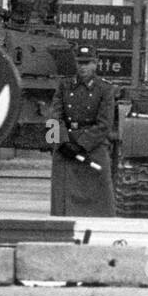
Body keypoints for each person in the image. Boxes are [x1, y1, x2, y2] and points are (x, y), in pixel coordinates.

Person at [49, 46, 117, 216]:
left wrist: (81, 145)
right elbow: (53, 118)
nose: (83, 67)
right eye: (80, 63)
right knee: (62, 200)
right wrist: (62, 142)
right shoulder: (64, 86)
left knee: (100, 195)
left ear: (95, 64)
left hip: (92, 146)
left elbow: (105, 124)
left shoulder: (105, 89)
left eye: (87, 63)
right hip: (65, 145)